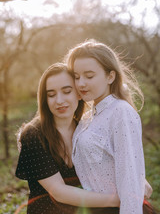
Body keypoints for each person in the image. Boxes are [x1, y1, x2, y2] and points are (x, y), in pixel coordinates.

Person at [15, 62, 121, 214]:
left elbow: (112, 163)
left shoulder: (87, 128)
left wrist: (137, 180)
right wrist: (117, 199)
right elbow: (58, 192)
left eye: (66, 91)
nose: (59, 100)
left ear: (79, 93)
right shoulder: (33, 135)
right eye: (51, 95)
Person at [65, 39, 157, 214]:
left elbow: (129, 177)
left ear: (110, 76)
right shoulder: (87, 117)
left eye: (89, 76)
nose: (81, 83)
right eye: (76, 77)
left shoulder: (121, 112)